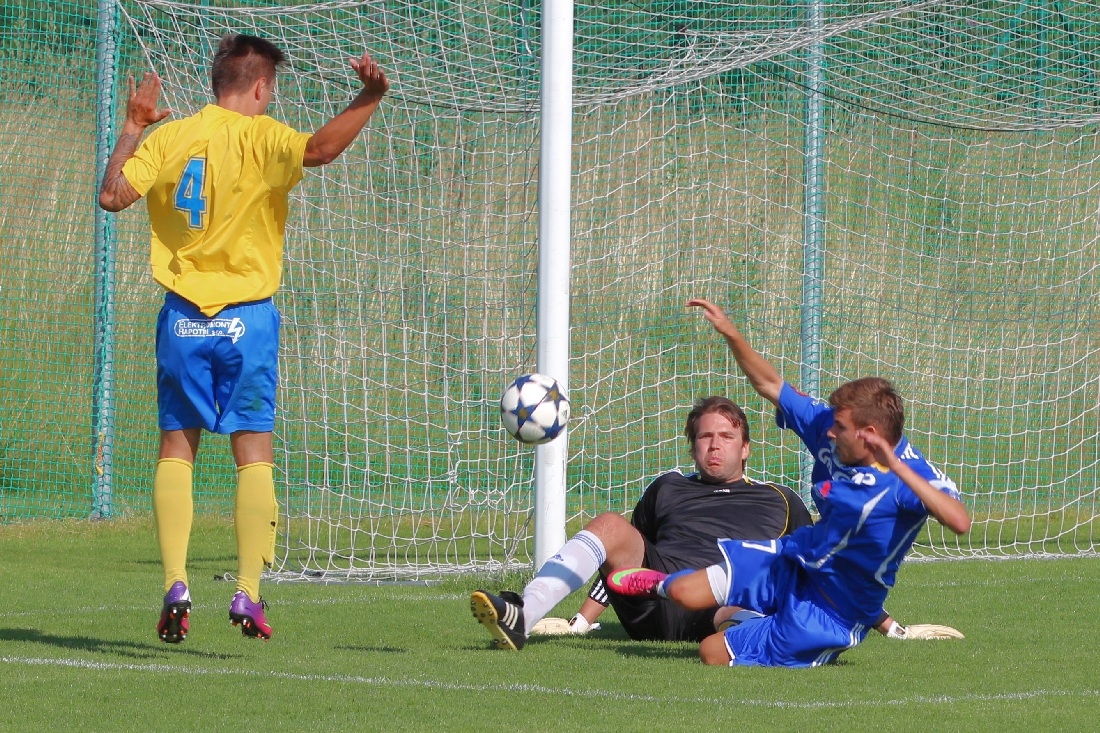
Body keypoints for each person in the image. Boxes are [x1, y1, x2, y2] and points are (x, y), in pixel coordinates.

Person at [98, 34, 388, 643]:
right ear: (260, 86)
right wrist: (369, 96)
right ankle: (248, 593)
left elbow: (112, 195)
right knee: (253, 456)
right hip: (245, 322)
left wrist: (131, 125)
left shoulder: (170, 138)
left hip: (182, 319)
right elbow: (321, 150)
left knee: (176, 450)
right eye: (273, 87)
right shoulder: (264, 135)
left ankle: (176, 580)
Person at [605, 298, 970, 667]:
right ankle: (658, 584)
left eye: (839, 427)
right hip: (796, 557)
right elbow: (770, 383)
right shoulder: (830, 430)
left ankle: (779, 633)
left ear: (869, 435)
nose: (828, 430)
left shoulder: (910, 477)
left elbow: (959, 521)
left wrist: (894, 465)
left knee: (710, 653)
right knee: (684, 591)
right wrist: (732, 334)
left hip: (830, 610)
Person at [472, 396, 817, 650]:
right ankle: (523, 616)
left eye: (726, 437)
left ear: (745, 448)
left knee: (745, 610)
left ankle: (771, 641)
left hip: (720, 601)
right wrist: (582, 621)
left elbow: (817, 563)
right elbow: (619, 565)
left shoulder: (780, 499)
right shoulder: (668, 487)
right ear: (693, 447)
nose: (715, 445)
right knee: (610, 524)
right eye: (705, 436)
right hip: (655, 599)